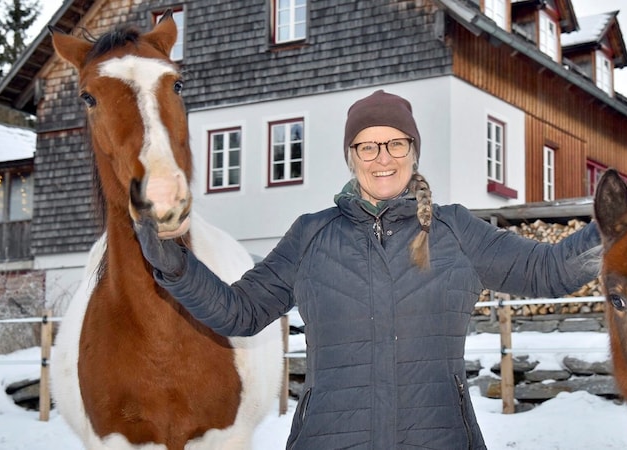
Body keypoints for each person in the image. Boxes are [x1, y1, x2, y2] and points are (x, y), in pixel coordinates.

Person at [134, 89, 602, 449]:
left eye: (396, 144)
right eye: (368, 147)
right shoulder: (312, 236)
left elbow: (548, 270)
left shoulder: (455, 230)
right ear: (351, 156)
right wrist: (175, 266)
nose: (383, 159)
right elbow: (241, 311)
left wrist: (613, 228)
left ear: (414, 151)